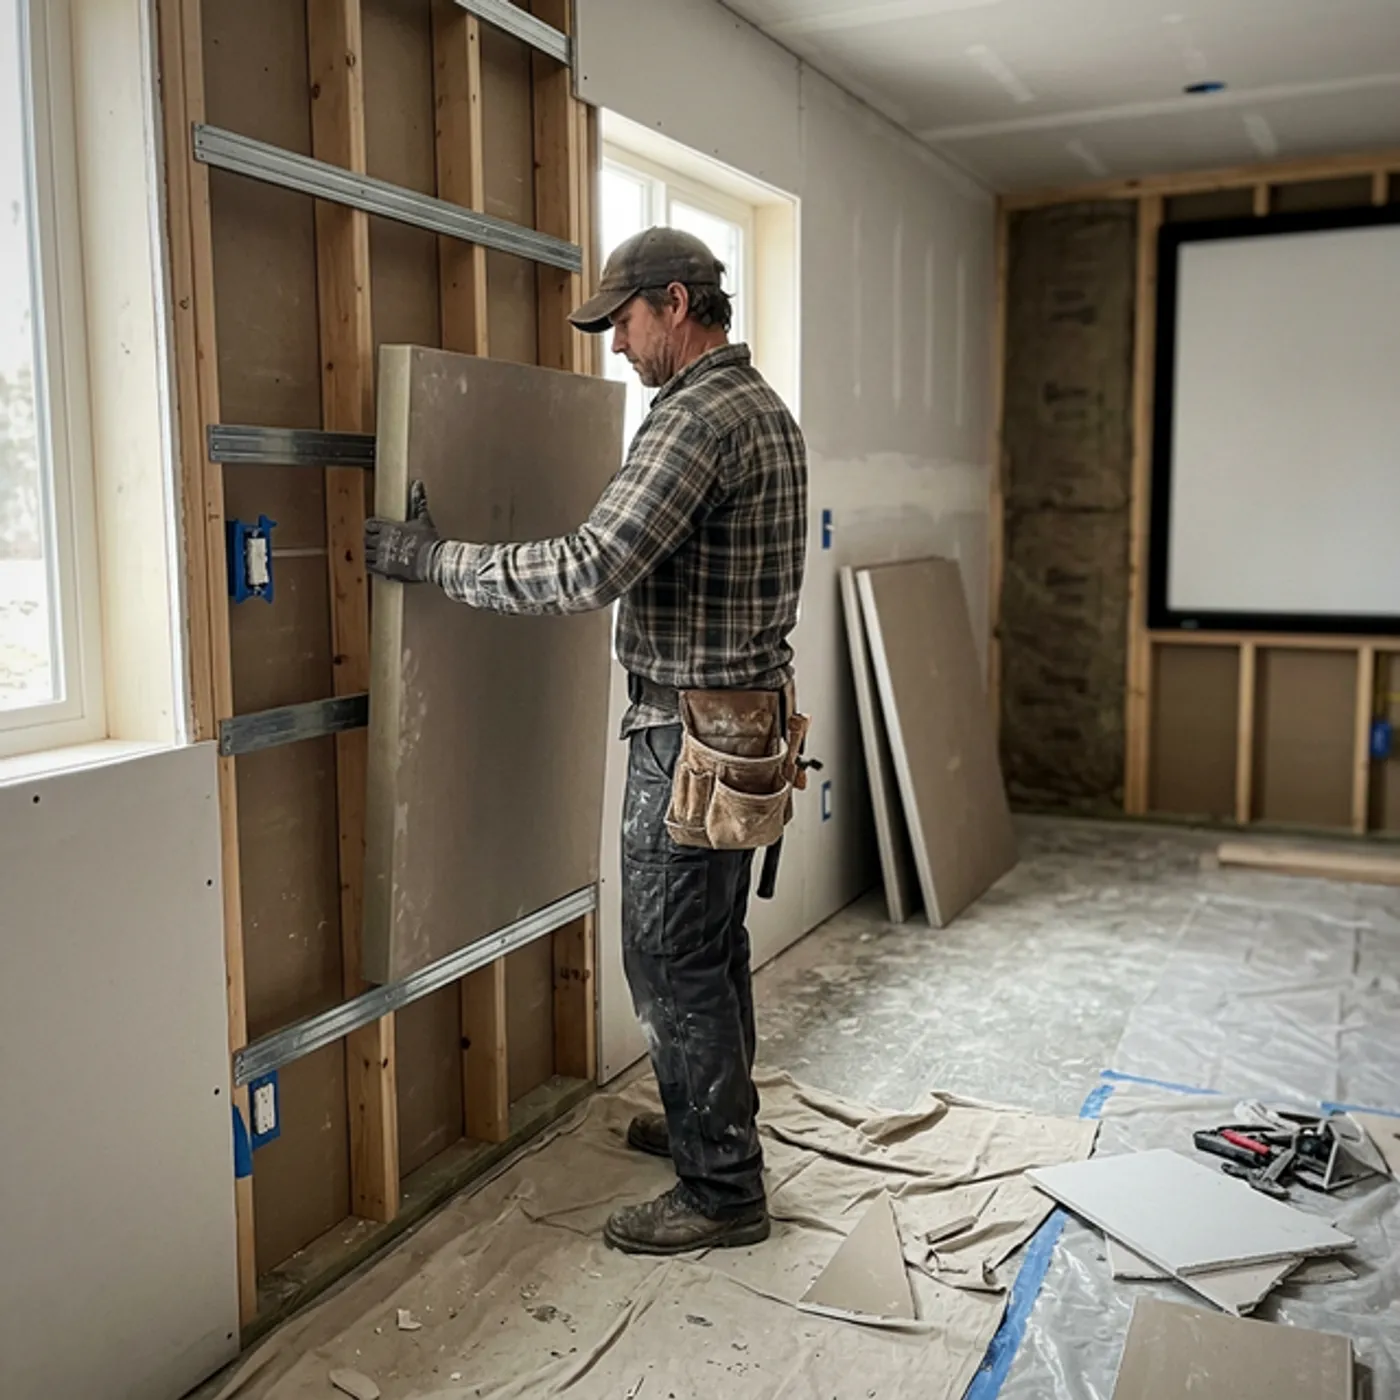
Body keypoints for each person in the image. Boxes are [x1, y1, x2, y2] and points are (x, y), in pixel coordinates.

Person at [364, 227, 808, 1254]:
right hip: (742, 722)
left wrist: (435, 561)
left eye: (621, 322)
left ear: (675, 304)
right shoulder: (761, 408)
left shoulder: (692, 419)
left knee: (666, 957)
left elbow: (586, 566)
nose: (614, 345)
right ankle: (715, 1127)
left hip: (687, 734)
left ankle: (721, 1191)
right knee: (710, 944)